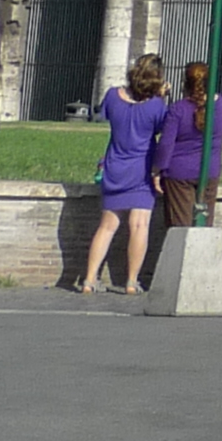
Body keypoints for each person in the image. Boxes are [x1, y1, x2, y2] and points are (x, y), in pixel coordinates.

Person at [75, 58, 170, 295]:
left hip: (114, 165)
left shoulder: (112, 96)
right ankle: (131, 281)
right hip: (142, 168)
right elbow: (162, 128)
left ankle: (89, 278)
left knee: (106, 227)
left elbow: (105, 116)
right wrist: (161, 97)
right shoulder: (157, 105)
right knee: (139, 226)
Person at [151, 61, 222, 234]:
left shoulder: (178, 109)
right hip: (209, 171)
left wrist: (157, 170)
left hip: (179, 173)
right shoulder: (219, 105)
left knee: (180, 228)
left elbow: (166, 143)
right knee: (203, 225)